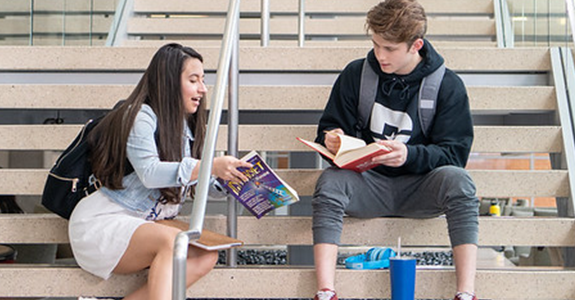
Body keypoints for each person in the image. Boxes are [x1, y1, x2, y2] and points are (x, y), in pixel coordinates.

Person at [311, 1, 478, 300]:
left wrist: (409, 154)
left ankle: (465, 293)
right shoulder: (356, 75)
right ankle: (326, 291)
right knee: (329, 182)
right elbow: (329, 129)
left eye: (389, 48)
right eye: (376, 44)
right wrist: (332, 140)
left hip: (421, 188)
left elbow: (455, 155)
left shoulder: (447, 85)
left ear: (416, 45)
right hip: (367, 184)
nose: (379, 55)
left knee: (460, 182)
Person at [68, 43, 252, 300]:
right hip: (104, 222)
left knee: (205, 256)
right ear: (169, 82)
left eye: (203, 80)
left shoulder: (186, 129)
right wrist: (211, 165)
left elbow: (193, 181)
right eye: (193, 80)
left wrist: (228, 180)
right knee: (173, 241)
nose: (203, 89)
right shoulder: (140, 115)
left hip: (144, 225)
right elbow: (150, 173)